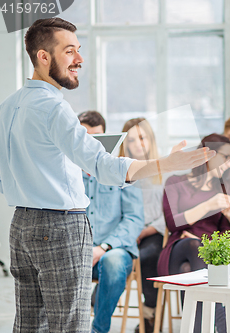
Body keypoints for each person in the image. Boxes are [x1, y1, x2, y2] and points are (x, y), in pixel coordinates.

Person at [0, 18, 213, 333]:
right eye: (69, 52)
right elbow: (102, 165)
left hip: (22, 226)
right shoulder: (55, 109)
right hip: (61, 226)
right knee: (71, 325)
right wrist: (164, 163)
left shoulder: (5, 108)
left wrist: (30, 192)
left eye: (79, 50)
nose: (79, 60)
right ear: (43, 57)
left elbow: (0, 174)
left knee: (30, 325)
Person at [158, 133, 230, 333]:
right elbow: (173, 223)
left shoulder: (225, 188)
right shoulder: (175, 181)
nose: (229, 165)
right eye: (225, 158)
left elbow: (226, 236)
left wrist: (229, 217)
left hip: (208, 257)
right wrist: (209, 205)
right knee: (194, 246)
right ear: (208, 154)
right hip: (178, 248)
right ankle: (223, 328)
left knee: (190, 269)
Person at [79, 111, 145, 333]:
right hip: (77, 252)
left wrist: (102, 247)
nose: (90, 142)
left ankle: (99, 330)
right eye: (84, 135)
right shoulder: (68, 175)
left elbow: (134, 218)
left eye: (96, 137)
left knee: (113, 262)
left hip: (113, 251)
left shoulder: (121, 171)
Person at [118, 117, 168, 333]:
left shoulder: (164, 171)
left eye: (142, 137)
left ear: (150, 140)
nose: (138, 144)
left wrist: (146, 229)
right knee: (119, 258)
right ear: (125, 144)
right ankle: (102, 292)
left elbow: (170, 213)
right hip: (127, 230)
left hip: (154, 231)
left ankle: (149, 314)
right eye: (131, 140)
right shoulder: (120, 173)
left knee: (148, 258)